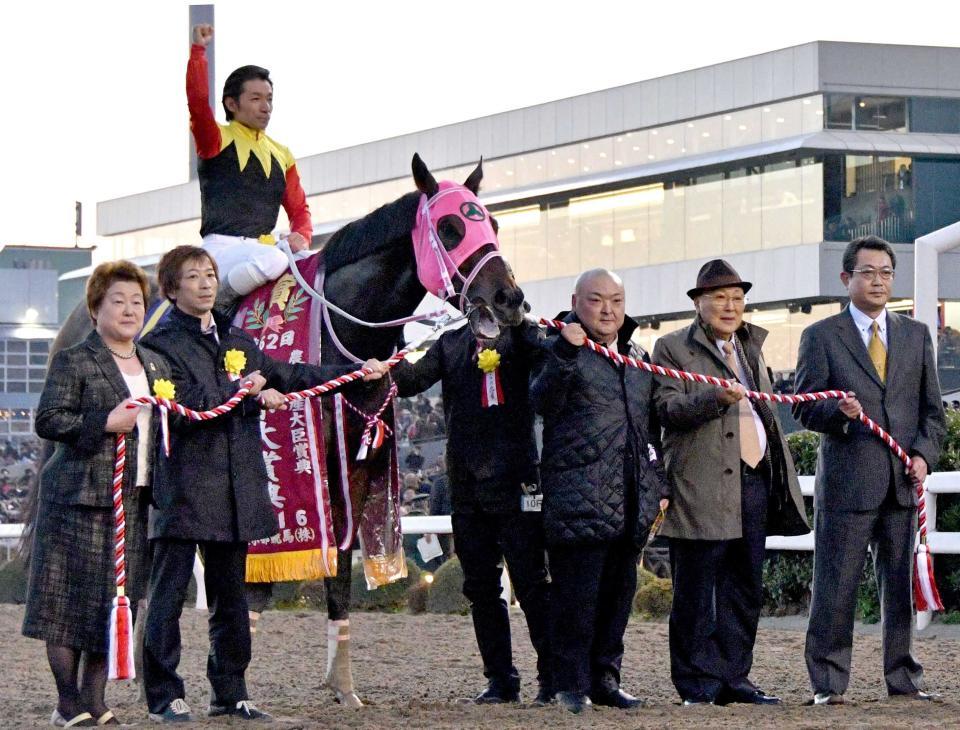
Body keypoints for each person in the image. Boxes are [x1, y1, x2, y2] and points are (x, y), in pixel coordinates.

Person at [139, 245, 386, 723]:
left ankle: (230, 691)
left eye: (210, 274)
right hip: (185, 491)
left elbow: (290, 375)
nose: (207, 283)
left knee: (232, 602)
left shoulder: (237, 341)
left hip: (236, 490)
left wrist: (356, 372)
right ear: (171, 290)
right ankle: (164, 694)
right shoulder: (160, 347)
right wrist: (247, 394)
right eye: (193, 277)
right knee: (167, 599)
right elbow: (186, 406)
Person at [794, 236, 946, 704]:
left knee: (899, 590)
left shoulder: (916, 334)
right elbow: (802, 407)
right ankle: (828, 683)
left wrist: (923, 455)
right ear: (847, 279)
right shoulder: (820, 336)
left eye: (885, 272)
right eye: (868, 272)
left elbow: (933, 413)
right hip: (846, 485)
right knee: (835, 589)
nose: (878, 281)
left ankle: (902, 678)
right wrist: (837, 412)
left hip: (903, 485)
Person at [651, 259, 809, 706]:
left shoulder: (750, 348)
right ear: (698, 304)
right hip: (700, 485)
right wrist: (713, 399)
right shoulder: (671, 348)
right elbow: (666, 410)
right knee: (696, 592)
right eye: (719, 298)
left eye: (737, 298)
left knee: (744, 587)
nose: (730, 306)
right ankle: (697, 683)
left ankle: (735, 677)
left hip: (754, 480)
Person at [23, 261, 168, 727]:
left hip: (134, 499)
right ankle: (67, 703)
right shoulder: (76, 359)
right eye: (118, 301)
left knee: (114, 604)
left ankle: (95, 698)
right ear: (95, 308)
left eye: (137, 302)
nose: (129, 310)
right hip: (78, 498)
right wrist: (104, 423)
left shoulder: (155, 363)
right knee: (66, 605)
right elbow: (49, 420)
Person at [389, 318, 553, 705]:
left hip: (520, 484)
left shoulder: (522, 336)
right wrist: (392, 335)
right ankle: (500, 678)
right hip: (466, 487)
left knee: (532, 584)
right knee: (480, 588)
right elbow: (409, 381)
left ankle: (553, 675)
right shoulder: (449, 344)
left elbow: (549, 357)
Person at [530, 268, 669, 714]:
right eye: (596, 300)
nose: (607, 310)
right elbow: (541, 402)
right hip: (579, 497)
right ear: (575, 301)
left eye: (616, 300)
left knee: (617, 597)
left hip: (629, 499)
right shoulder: (554, 349)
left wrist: (656, 485)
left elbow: (649, 429)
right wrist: (566, 354)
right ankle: (570, 683)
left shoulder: (638, 356)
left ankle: (606, 679)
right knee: (576, 599)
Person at [187, 24, 312, 303]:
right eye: (255, 99)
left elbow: (299, 211)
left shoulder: (282, 153)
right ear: (232, 104)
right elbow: (197, 103)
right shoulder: (216, 138)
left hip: (263, 249)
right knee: (273, 260)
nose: (265, 107)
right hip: (220, 251)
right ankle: (214, 303)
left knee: (316, 262)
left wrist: (301, 236)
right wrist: (198, 51)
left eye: (269, 99)